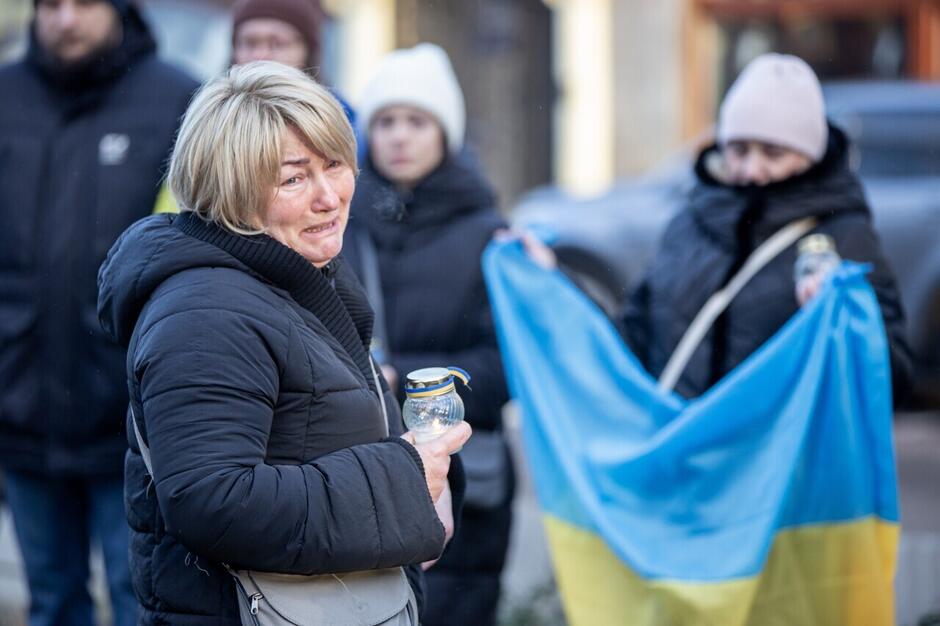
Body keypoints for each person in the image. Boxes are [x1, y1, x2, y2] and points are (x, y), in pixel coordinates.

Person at [96, 60, 469, 624]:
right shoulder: (206, 314)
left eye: (335, 164)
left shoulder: (299, 271)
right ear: (231, 189)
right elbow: (213, 501)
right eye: (293, 178)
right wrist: (406, 484)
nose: (330, 197)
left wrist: (428, 483)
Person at [524, 53, 912, 402]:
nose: (751, 169)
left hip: (775, 461)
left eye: (773, 153)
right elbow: (631, 339)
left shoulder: (844, 236)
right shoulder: (690, 222)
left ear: (810, 155)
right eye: (738, 150)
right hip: (683, 454)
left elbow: (893, 380)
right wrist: (554, 283)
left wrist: (845, 321)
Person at [0, 0, 197, 624]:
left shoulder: (178, 100)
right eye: (50, 5)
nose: (65, 20)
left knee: (141, 598)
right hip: (21, 404)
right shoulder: (5, 97)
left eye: (83, 4)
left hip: (133, 417)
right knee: (51, 601)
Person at [346, 43, 514, 626]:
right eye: (386, 121)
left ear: (445, 132)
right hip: (362, 468)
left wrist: (405, 380)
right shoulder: (337, 223)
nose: (399, 136)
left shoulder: (489, 234)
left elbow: (505, 367)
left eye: (417, 121)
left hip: (464, 483)